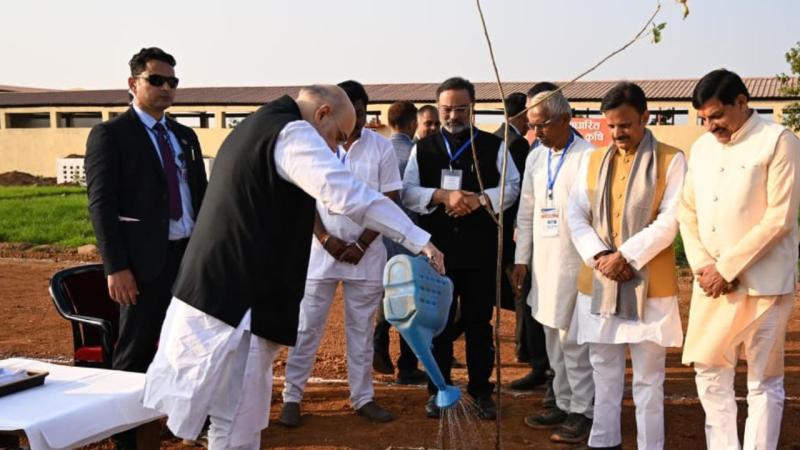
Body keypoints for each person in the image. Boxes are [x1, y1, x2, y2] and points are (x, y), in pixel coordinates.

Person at [142, 85, 444, 450]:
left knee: (229, 418)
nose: (335, 149)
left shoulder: (259, 124)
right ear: (322, 114)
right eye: (337, 137)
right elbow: (347, 195)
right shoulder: (291, 133)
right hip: (237, 302)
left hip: (218, 293)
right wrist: (418, 239)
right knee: (237, 421)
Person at [679, 69, 800, 450]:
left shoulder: (778, 141)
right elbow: (687, 211)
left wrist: (727, 268)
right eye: (703, 118)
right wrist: (705, 267)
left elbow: (780, 217)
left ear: (742, 102)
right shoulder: (702, 148)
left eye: (716, 115)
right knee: (709, 374)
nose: (710, 126)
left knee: (763, 381)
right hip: (712, 286)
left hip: (764, 285)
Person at [278, 81, 405, 426]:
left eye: (361, 114)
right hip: (320, 254)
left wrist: (361, 243)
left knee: (361, 332)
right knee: (306, 328)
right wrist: (324, 238)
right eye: (351, 114)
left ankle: (362, 397)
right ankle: (292, 397)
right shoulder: (315, 145)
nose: (356, 122)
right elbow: (303, 198)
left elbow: (389, 200)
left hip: (366, 255)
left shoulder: (381, 147)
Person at [567, 82, 686, 450]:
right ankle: (604, 441)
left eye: (625, 125)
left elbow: (671, 219)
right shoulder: (591, 161)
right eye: (611, 126)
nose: (617, 133)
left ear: (645, 117)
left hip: (651, 283)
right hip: (600, 280)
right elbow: (576, 214)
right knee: (603, 370)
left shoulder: (671, 159)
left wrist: (626, 256)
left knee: (649, 378)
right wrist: (601, 256)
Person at [403, 76, 520, 420]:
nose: (453, 115)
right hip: (436, 253)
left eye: (460, 109)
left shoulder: (493, 145)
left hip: (480, 252)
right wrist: (441, 196)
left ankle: (481, 391)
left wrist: (479, 200)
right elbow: (408, 191)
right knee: (436, 325)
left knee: (479, 324)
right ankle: (438, 389)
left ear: (473, 108)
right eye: (446, 109)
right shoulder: (422, 148)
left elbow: (512, 186)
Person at [85, 47, 207, 374]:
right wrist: (116, 267)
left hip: (188, 258)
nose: (166, 88)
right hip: (143, 264)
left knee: (190, 344)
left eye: (172, 82)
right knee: (136, 350)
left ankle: (181, 406)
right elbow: (101, 205)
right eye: (156, 80)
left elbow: (201, 194)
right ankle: (125, 409)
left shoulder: (185, 136)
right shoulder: (111, 135)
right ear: (133, 83)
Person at [511, 90, 594, 444]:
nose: (536, 132)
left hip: (575, 263)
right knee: (551, 337)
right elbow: (527, 211)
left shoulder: (588, 157)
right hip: (543, 263)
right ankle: (562, 402)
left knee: (573, 340)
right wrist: (521, 259)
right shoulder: (536, 156)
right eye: (532, 126)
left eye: (542, 125)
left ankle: (584, 411)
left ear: (565, 119)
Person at [496, 91, 550, 392]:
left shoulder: (500, 139)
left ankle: (530, 352)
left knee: (520, 293)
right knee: (521, 293)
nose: (533, 125)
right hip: (516, 231)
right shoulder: (516, 145)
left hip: (518, 231)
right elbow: (518, 194)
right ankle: (528, 352)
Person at [372, 100, 427, 385]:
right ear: (412, 124)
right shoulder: (415, 154)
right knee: (409, 300)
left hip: (378, 236)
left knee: (385, 292)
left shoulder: (378, 151)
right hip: (408, 236)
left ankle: (378, 343)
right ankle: (407, 364)